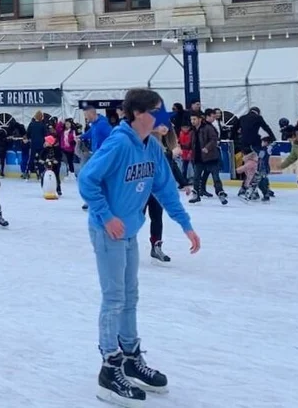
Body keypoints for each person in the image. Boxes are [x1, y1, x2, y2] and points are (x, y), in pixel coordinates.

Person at [78, 89, 200, 406]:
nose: (162, 117)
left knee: (130, 296)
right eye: (156, 111)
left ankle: (131, 357)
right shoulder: (119, 143)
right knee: (114, 298)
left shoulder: (152, 147)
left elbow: (165, 188)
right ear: (137, 114)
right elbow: (87, 179)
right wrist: (106, 216)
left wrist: (185, 224)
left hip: (130, 230)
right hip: (108, 232)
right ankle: (109, 367)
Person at [146, 125, 190, 264]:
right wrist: (171, 154)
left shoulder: (163, 146)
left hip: (157, 190)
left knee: (157, 217)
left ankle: (156, 246)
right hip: (141, 189)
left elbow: (171, 166)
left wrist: (183, 182)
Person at [188, 110, 227, 205]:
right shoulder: (192, 131)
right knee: (196, 177)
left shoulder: (208, 128)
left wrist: (207, 148)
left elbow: (214, 139)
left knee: (215, 177)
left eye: (194, 119)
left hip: (210, 157)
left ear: (200, 119)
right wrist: (190, 152)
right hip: (198, 158)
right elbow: (192, 143)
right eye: (191, 119)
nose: (192, 121)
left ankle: (220, 193)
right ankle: (196, 195)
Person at [80, 106, 113, 210]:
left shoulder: (103, 124)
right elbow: (90, 133)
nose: (85, 118)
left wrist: (107, 151)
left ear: (91, 114)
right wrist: (80, 137)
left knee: (96, 178)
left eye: (86, 115)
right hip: (96, 155)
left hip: (103, 156)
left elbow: (112, 136)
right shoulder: (94, 124)